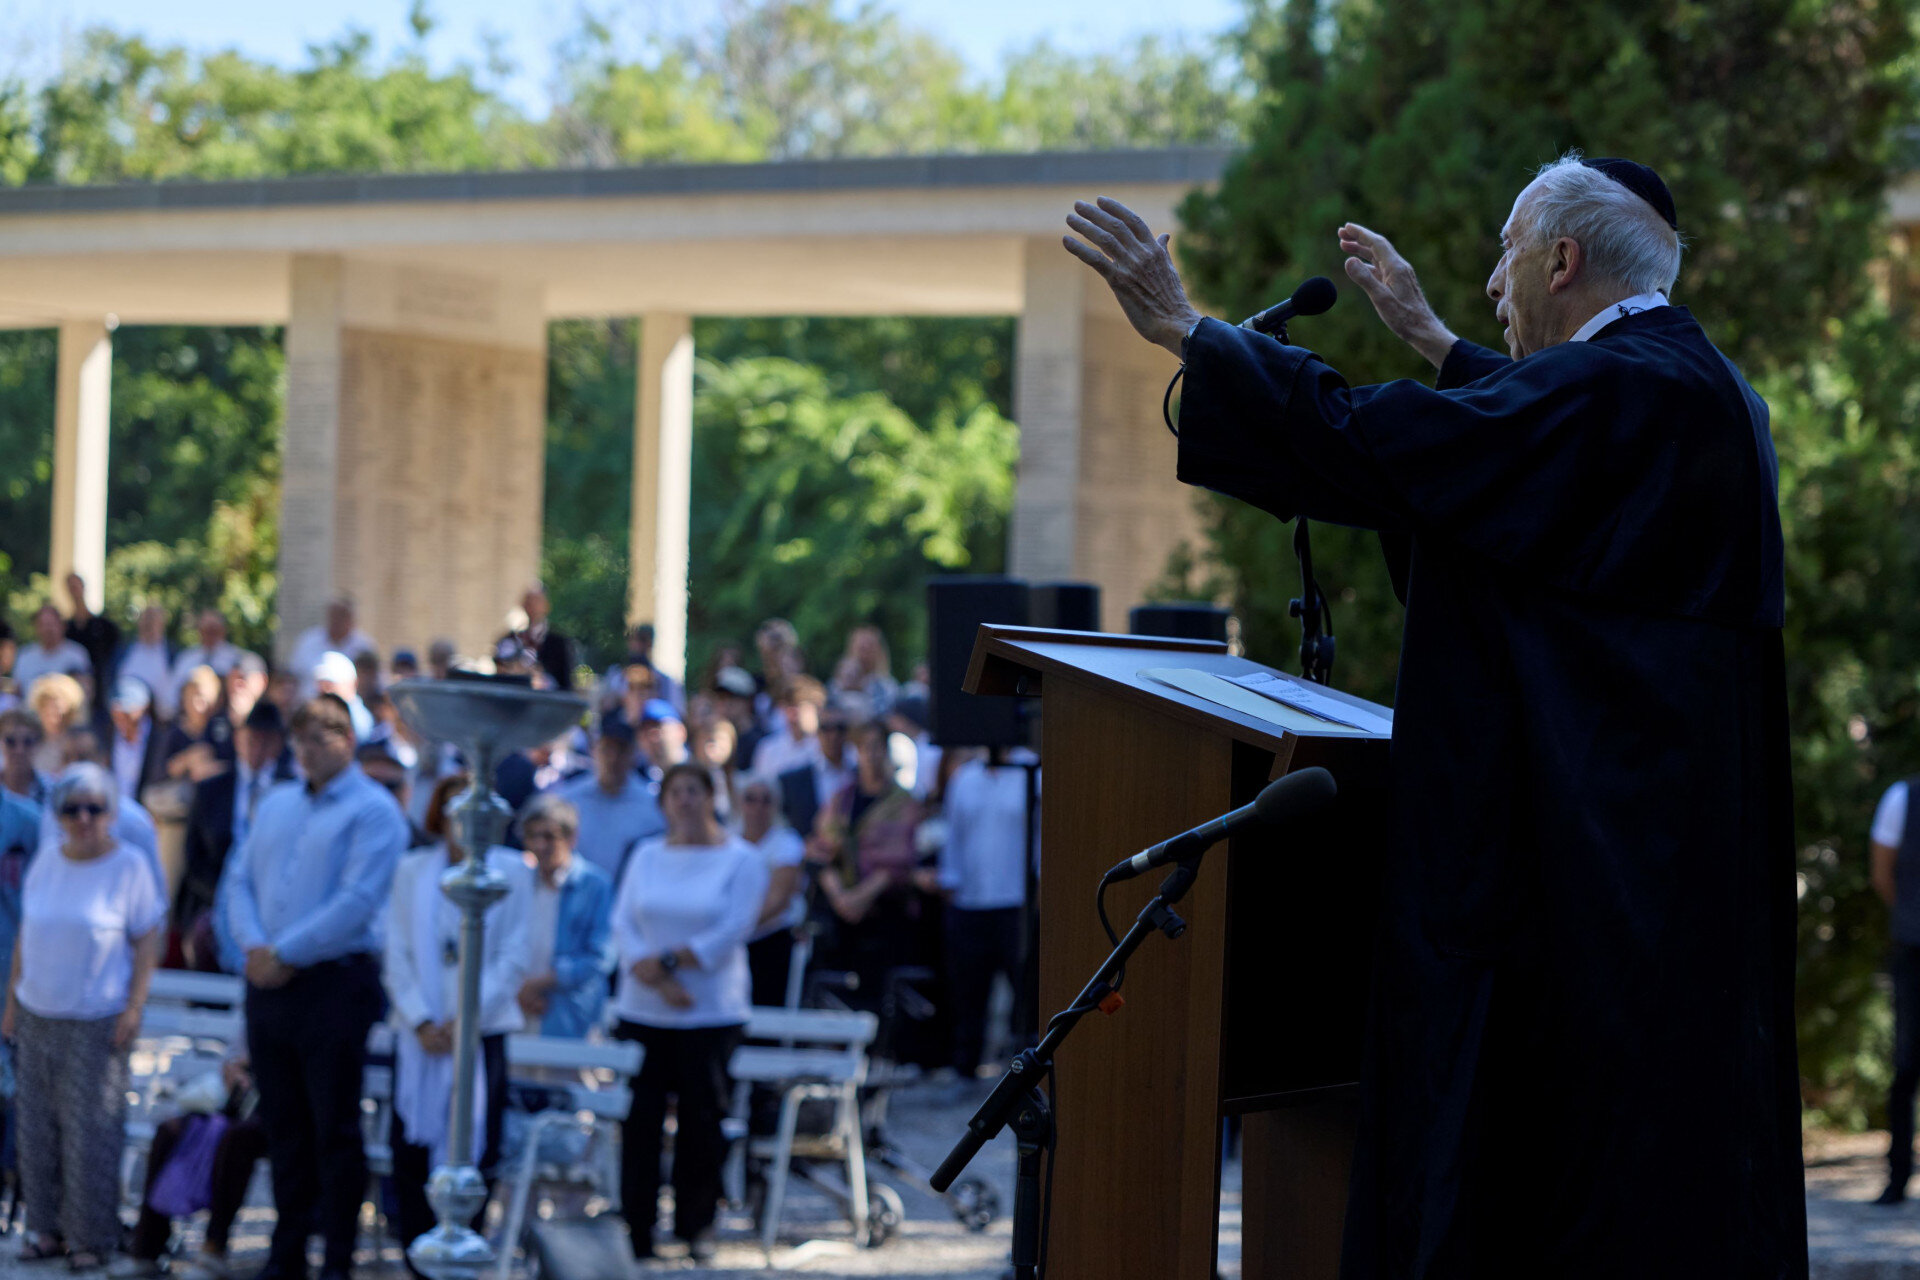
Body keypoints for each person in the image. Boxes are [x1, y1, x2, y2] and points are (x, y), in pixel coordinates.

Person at [1063, 155, 1804, 1271]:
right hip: (1647, 902)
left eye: (1507, 252)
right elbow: (1520, 495)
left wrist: (1193, 334)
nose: (1496, 283)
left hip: (1584, 914)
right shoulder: (1690, 385)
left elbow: (1396, 450)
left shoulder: (1626, 389)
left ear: (1561, 258)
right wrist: (1437, 344)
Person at [223, 694, 406, 1280]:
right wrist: (256, 946)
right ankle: (287, 1251)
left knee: (334, 1127)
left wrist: (286, 952)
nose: (307, 748)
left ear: (347, 740)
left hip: (333, 985)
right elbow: (238, 877)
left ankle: (337, 1260)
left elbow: (356, 902)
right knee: (283, 1125)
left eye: (321, 736)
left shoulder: (375, 811)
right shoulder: (275, 801)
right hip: (268, 982)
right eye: (301, 738)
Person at [3, 763, 164, 1270]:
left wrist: (135, 1005)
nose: (84, 819)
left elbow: (147, 939)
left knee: (90, 1133)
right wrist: (11, 1004)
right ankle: (44, 1229)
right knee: (35, 1129)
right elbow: (27, 937)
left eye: (95, 809)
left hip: (97, 1016)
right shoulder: (48, 860)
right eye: (73, 809)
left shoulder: (129, 865)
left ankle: (91, 1237)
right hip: (37, 1012)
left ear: (111, 813)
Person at [610, 763, 768, 1262]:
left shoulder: (740, 859)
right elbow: (623, 921)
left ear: (711, 796)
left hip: (709, 1011)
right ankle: (636, 1227)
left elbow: (733, 927)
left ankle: (696, 1224)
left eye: (693, 791)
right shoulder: (645, 854)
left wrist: (675, 963)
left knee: (703, 1120)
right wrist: (651, 971)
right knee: (640, 1123)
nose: (684, 801)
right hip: (644, 1007)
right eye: (675, 792)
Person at [383, 774, 532, 1264]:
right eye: (453, 810)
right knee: (411, 1147)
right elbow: (397, 952)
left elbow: (513, 958)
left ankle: (465, 1256)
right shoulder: (412, 871)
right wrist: (423, 1019)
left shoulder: (513, 870)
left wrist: (465, 1020)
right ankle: (416, 1258)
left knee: (476, 1149)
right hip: (421, 1035)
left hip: (479, 1033)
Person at [809, 721, 933, 1005]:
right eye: (866, 747)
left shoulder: (904, 802)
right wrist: (841, 897)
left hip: (884, 912)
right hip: (842, 917)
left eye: (879, 747)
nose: (872, 755)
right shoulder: (841, 799)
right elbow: (822, 850)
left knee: (878, 996)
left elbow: (899, 861)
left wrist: (860, 898)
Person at [123, 1047, 268, 1280]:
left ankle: (213, 1250)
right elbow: (232, 1057)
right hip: (237, 1103)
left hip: (284, 1111)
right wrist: (235, 1069)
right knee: (168, 1131)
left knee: (236, 1139)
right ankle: (146, 1250)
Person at [937, 748, 1037, 1079]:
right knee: (968, 990)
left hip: (1016, 901)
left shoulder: (1032, 771)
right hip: (970, 901)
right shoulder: (965, 777)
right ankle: (965, 1066)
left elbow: (1043, 834)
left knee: (1025, 988)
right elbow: (953, 832)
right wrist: (949, 879)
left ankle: (1025, 1066)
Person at [177, 702, 296, 970]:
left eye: (266, 741)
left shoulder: (292, 793)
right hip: (211, 904)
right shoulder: (211, 789)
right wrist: (225, 898)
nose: (257, 748)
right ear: (239, 739)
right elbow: (193, 856)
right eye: (252, 739)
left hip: (270, 911)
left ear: (278, 745)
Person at [514, 794, 616, 1038]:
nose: (540, 845)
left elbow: (601, 957)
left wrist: (542, 985)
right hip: (519, 1011)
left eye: (549, 836)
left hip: (571, 1015)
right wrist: (519, 990)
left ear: (571, 837)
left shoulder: (595, 885)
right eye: (532, 836)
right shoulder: (518, 882)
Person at [1872, 775, 1920, 1203]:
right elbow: (1882, 874)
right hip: (1914, 949)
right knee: (1906, 1065)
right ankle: (1897, 1177)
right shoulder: (1902, 798)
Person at [552, 716, 666, 883]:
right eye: (607, 749)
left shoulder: (652, 807)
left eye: (621, 750)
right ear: (594, 750)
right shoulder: (567, 800)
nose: (613, 758)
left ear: (633, 754)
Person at [736, 775, 807, 1009]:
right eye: (750, 799)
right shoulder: (726, 841)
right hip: (730, 945)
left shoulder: (787, 842)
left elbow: (778, 900)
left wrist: (731, 931)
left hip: (770, 945)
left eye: (766, 800)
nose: (758, 806)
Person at [774, 702, 852, 849]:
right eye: (826, 728)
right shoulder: (791, 781)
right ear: (817, 732)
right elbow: (781, 828)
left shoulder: (860, 775)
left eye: (840, 729)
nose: (833, 735)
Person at [289, 598, 376, 700]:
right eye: (334, 615)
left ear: (351, 618)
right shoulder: (308, 641)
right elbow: (293, 676)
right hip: (309, 706)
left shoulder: (364, 646)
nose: (337, 620)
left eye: (342, 615)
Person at [60, 574, 119, 710]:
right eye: (70, 587)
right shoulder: (67, 629)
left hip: (101, 686)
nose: (74, 591)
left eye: (76, 586)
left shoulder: (104, 627)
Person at [107, 676, 170, 801]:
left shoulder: (161, 736)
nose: (121, 716)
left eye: (127, 711)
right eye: (117, 711)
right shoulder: (105, 734)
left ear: (143, 707)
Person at [13, 605, 93, 702]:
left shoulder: (77, 654)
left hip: (67, 714)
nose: (48, 629)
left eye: (51, 624)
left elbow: (87, 691)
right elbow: (17, 692)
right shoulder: (24, 655)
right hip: (30, 715)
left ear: (63, 626)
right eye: (43, 624)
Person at [504, 583, 574, 692]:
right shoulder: (511, 638)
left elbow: (565, 683)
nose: (532, 606)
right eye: (529, 601)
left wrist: (540, 676)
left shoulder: (559, 643)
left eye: (537, 601)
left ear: (546, 605)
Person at [168, 610, 246, 703]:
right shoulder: (186, 658)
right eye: (206, 629)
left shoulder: (236, 657)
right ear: (199, 630)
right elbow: (173, 690)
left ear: (223, 630)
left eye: (214, 629)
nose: (210, 634)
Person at [117, 605, 176, 720]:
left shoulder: (172, 653)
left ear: (162, 624)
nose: (149, 624)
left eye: (153, 619)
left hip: (161, 720)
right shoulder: (124, 649)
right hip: (123, 717)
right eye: (146, 619)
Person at [26, 674, 87, 776]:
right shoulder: (28, 743)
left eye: (58, 707)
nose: (52, 711)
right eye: (47, 705)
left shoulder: (81, 744)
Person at [0, 710, 46, 805]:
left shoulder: (52, 791)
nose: (19, 750)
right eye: (10, 741)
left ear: (39, 744)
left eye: (27, 742)